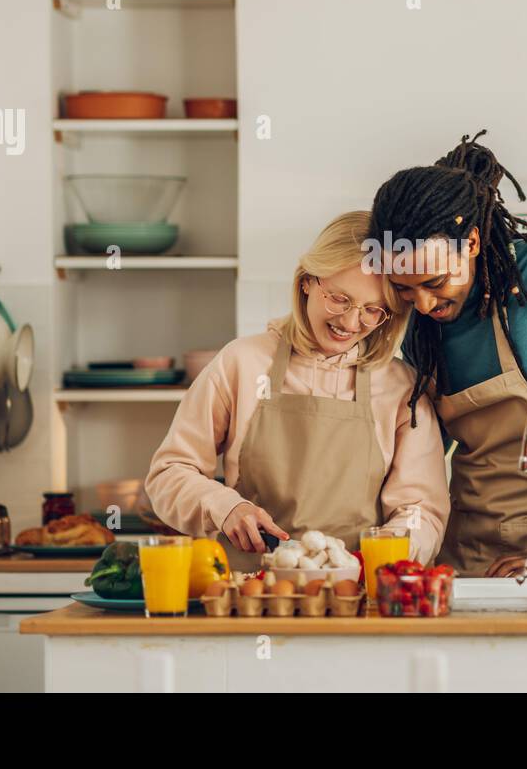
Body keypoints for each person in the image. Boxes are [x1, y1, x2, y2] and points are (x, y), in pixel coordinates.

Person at [368, 132, 527, 577]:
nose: (425, 305)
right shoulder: (425, 324)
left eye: (435, 283)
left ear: (470, 243)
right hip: (464, 548)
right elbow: (420, 447)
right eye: (403, 289)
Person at [145, 211, 449, 571]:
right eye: (339, 299)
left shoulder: (400, 389)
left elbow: (420, 510)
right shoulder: (242, 362)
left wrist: (380, 557)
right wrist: (226, 507)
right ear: (307, 281)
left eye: (372, 311)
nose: (351, 323)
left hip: (357, 597)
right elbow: (170, 472)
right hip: (250, 594)